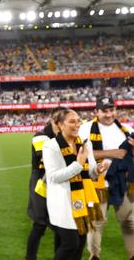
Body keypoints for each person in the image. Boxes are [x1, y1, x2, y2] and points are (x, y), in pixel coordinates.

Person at [43, 108, 107, 260]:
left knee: (79, 244)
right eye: (72, 121)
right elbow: (53, 177)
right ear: (60, 125)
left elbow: (90, 172)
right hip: (63, 205)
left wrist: (97, 170)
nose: (77, 124)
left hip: (83, 202)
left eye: (79, 120)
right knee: (70, 244)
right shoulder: (51, 146)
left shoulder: (85, 144)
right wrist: (78, 164)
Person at [78, 95, 134, 260]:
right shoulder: (85, 129)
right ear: (96, 111)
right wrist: (112, 156)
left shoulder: (124, 127)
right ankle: (94, 255)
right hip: (96, 183)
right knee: (96, 223)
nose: (109, 114)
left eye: (112, 110)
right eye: (104, 111)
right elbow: (82, 154)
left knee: (130, 222)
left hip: (122, 182)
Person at [26, 107, 63, 259]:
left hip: (58, 181)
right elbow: (49, 159)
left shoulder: (62, 136)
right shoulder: (40, 136)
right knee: (40, 225)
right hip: (41, 183)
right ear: (55, 121)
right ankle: (30, 257)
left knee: (60, 225)